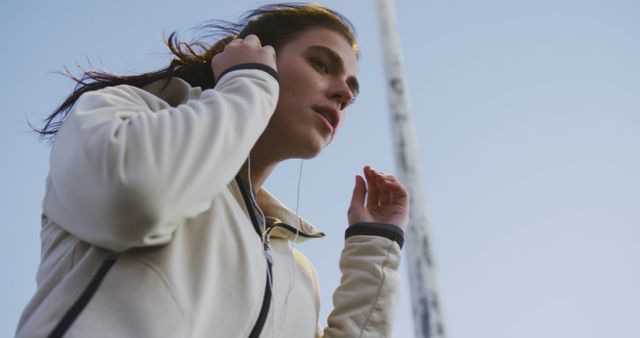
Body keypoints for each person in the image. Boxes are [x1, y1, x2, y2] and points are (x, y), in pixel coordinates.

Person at [16, 3, 409, 338]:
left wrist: (375, 244)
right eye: (321, 64)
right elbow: (137, 199)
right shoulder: (124, 116)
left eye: (351, 92)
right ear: (257, 55)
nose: (343, 93)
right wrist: (249, 83)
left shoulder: (296, 271)